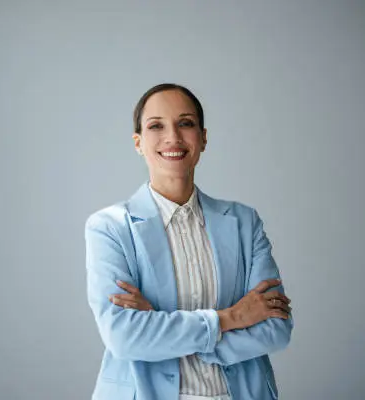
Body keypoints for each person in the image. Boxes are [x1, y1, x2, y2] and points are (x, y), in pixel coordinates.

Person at [84, 83, 293, 400]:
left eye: (186, 123)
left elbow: (276, 330)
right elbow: (124, 337)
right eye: (156, 126)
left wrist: (158, 322)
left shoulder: (244, 223)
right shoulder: (109, 228)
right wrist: (232, 318)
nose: (173, 137)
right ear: (138, 142)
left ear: (203, 137)